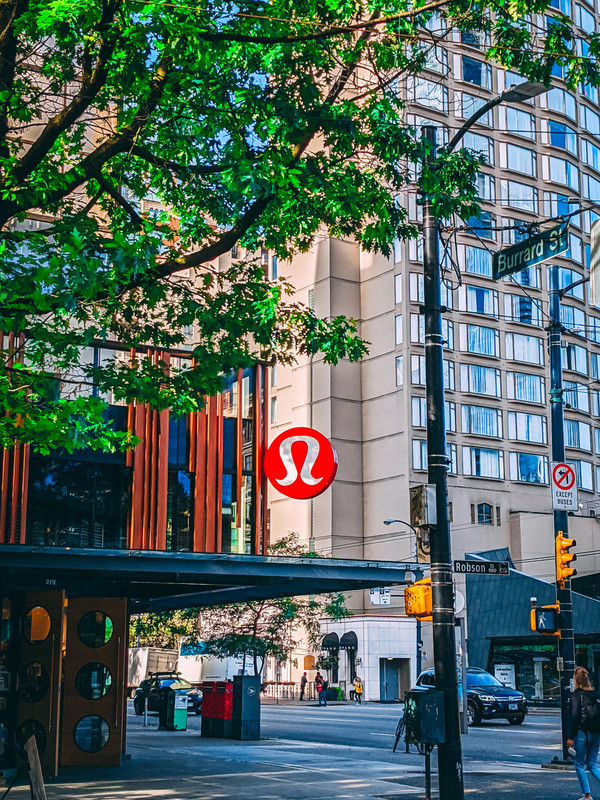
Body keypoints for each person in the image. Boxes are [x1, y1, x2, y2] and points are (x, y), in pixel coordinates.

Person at [567, 666, 600, 800]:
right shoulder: (596, 694)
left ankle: (587, 795)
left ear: (576, 680)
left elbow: (575, 717)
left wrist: (570, 737)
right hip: (596, 732)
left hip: (582, 733)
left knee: (579, 764)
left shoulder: (576, 695)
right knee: (592, 763)